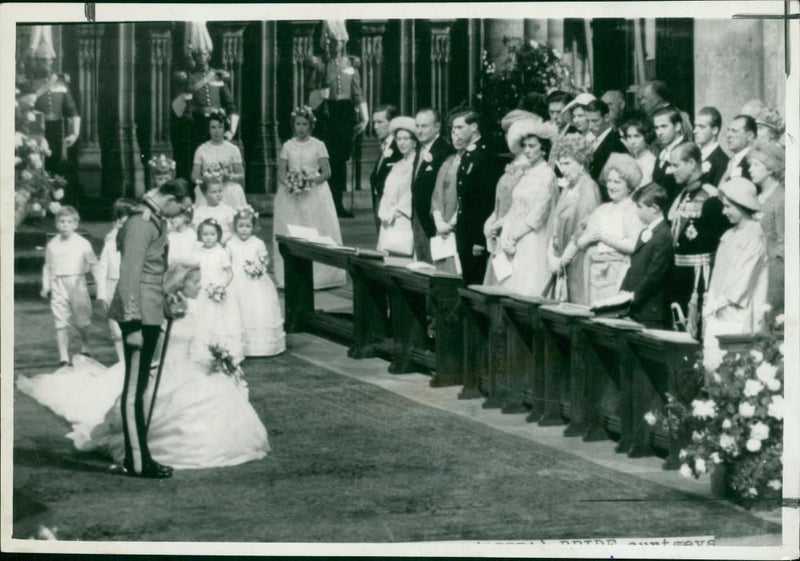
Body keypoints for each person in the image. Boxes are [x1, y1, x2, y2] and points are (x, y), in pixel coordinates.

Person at [17, 263, 270, 471]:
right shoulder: (161, 313)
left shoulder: (190, 309)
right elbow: (154, 353)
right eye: (195, 282)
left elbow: (190, 346)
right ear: (180, 284)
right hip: (164, 370)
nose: (200, 286)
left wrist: (214, 360)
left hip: (188, 366)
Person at [108, 177, 189, 478]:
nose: (178, 216)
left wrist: (165, 304)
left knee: (139, 387)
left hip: (150, 310)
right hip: (139, 316)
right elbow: (129, 276)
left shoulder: (153, 219)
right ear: (170, 199)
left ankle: (139, 455)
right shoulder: (142, 223)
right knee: (134, 390)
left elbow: (153, 273)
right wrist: (132, 325)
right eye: (180, 209)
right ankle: (137, 462)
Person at [273, 106, 346, 289]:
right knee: (293, 229)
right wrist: (290, 184)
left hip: (315, 194)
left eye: (305, 124)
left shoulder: (318, 145)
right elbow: (281, 172)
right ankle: (290, 275)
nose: (301, 128)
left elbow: (327, 172)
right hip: (291, 195)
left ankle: (322, 276)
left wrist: (310, 181)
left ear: (311, 125)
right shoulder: (288, 146)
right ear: (293, 125)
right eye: (298, 124)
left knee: (316, 228)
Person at [307, 20, 370, 218]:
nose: (338, 45)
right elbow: (309, 92)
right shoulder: (320, 64)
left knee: (340, 159)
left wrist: (365, 117)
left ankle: (337, 202)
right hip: (327, 113)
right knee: (324, 157)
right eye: (334, 41)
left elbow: (357, 93)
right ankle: (319, 203)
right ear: (328, 42)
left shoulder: (350, 65)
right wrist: (320, 95)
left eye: (341, 41)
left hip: (344, 112)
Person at [666, 142, 728, 338]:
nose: (671, 171)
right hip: (678, 275)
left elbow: (720, 245)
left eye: (676, 165)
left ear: (692, 163)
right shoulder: (682, 194)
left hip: (700, 279)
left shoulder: (710, 196)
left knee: (696, 334)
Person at [702, 178, 768, 361]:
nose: (724, 212)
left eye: (728, 207)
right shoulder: (729, 235)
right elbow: (718, 275)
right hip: (718, 313)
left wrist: (714, 305)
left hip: (737, 316)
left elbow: (741, 283)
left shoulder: (755, 237)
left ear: (742, 205)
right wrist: (710, 302)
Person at [497, 119, 559, 297]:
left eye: (532, 146)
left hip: (531, 238)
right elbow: (515, 206)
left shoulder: (547, 175)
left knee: (527, 288)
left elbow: (537, 216)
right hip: (512, 235)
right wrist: (505, 230)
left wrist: (514, 235)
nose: (527, 150)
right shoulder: (525, 173)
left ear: (544, 148)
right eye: (524, 146)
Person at [171, 22, 238, 181]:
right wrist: (185, 95)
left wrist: (232, 130)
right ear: (193, 55)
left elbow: (231, 106)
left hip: (217, 125)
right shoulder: (189, 79)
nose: (202, 57)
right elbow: (177, 110)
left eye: (205, 53)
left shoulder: (217, 76)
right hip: (197, 126)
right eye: (198, 54)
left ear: (210, 54)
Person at [574, 153, 645, 305]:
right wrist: (587, 239)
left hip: (618, 272)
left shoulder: (632, 210)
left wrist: (603, 237)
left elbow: (633, 245)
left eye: (617, 182)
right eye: (609, 181)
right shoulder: (602, 209)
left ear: (629, 186)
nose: (611, 186)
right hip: (594, 272)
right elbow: (580, 242)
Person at [482, 109, 538, 285]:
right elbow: (500, 202)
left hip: (517, 237)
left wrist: (504, 224)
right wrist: (490, 222)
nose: (509, 138)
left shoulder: (533, 169)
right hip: (499, 235)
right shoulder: (511, 164)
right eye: (507, 133)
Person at [40, 205, 100, 367]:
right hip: (58, 283)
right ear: (57, 224)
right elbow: (48, 266)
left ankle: (85, 346)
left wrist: (100, 285)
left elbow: (94, 264)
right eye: (62, 222)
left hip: (77, 283)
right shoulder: (52, 244)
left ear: (75, 224)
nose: (65, 225)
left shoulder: (83, 243)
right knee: (60, 320)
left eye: (69, 222)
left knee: (82, 320)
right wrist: (46, 286)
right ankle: (64, 357)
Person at [18, 26, 80, 180]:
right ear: (37, 62)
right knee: (36, 165)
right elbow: (22, 107)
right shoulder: (28, 84)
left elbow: (71, 111)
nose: (48, 63)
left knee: (56, 166)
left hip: (57, 131)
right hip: (36, 130)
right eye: (44, 61)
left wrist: (75, 132)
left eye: (50, 60)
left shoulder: (60, 82)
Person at [547, 134, 602, 304]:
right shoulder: (569, 187)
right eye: (561, 163)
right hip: (563, 260)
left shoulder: (588, 188)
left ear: (581, 162)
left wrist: (563, 260)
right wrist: (552, 255)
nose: (563, 169)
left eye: (567, 163)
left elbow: (583, 230)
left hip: (578, 259)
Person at [451, 109, 502, 284]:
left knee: (476, 282)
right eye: (453, 128)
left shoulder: (485, 155)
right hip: (465, 231)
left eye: (459, 127)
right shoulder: (469, 153)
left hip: (475, 235)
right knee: (467, 280)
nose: (455, 132)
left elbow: (485, 201)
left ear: (473, 127)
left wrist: (479, 240)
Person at [226, 207, 286, 357]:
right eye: (240, 226)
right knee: (237, 308)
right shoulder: (230, 243)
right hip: (236, 280)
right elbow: (226, 261)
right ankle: (238, 344)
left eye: (248, 226)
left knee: (257, 308)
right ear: (235, 226)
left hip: (255, 281)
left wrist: (259, 267)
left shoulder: (257, 243)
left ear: (254, 227)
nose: (244, 230)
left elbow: (265, 259)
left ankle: (260, 346)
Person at [618, 183, 674, 328]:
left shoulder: (664, 235)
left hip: (652, 313)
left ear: (654, 208)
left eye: (640, 207)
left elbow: (654, 275)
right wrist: (623, 292)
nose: (637, 212)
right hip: (637, 309)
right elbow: (633, 267)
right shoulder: (645, 232)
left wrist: (632, 298)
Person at [195, 218, 244, 364]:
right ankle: (203, 351)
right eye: (205, 234)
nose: (209, 238)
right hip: (202, 291)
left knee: (219, 320)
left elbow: (229, 272)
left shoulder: (221, 252)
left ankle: (222, 351)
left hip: (218, 291)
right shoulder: (197, 252)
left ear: (218, 235)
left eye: (212, 234)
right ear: (200, 235)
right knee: (203, 319)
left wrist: (221, 286)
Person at [411, 108, 455, 262]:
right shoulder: (420, 149)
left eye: (424, 126)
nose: (419, 131)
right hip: (418, 215)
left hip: (434, 219)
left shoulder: (445, 150)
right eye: (417, 126)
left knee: (434, 265)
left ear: (437, 127)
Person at [97, 199, 137, 363]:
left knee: (132, 325)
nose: (122, 224)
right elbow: (102, 267)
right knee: (116, 328)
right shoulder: (110, 243)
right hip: (112, 286)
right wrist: (101, 293)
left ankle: (133, 360)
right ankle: (122, 361)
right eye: (119, 220)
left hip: (131, 286)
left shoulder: (137, 242)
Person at [748, 140, 785, 315]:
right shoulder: (755, 197)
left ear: (770, 168)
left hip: (773, 273)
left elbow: (782, 246)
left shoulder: (782, 199)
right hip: (753, 269)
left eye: (756, 165)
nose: (750, 169)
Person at [377, 117, 417, 256]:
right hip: (388, 218)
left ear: (414, 141)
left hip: (403, 218)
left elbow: (410, 192)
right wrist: (384, 212)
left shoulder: (416, 164)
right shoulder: (397, 164)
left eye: (406, 139)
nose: (401, 143)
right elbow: (387, 192)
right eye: (398, 139)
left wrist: (395, 212)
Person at [191, 111, 247, 208]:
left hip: (227, 186)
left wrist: (229, 177)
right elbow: (194, 176)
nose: (217, 131)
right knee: (201, 190)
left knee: (235, 189)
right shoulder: (201, 149)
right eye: (213, 127)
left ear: (224, 129)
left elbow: (241, 175)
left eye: (220, 127)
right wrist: (206, 179)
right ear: (208, 129)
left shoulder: (233, 149)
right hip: (209, 188)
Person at [586, 99, 628, 201]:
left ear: (606, 117)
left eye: (595, 121)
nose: (590, 126)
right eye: (588, 121)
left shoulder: (616, 144)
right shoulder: (592, 140)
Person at [369, 104, 401, 232]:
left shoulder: (399, 145)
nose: (375, 127)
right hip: (380, 203)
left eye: (380, 122)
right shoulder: (386, 144)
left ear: (392, 123)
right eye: (374, 122)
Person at [192, 170, 236, 245]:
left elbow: (233, 231)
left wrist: (226, 242)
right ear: (204, 194)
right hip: (206, 244)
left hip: (225, 243)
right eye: (214, 192)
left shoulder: (228, 210)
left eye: (220, 191)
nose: (218, 194)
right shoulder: (199, 211)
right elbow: (196, 231)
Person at [651, 106, 685, 203]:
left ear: (677, 126)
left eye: (664, 126)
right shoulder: (662, 153)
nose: (659, 132)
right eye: (656, 128)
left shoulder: (686, 150)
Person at [693, 106, 729, 188]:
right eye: (695, 126)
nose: (695, 131)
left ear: (714, 130)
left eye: (701, 127)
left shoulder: (722, 162)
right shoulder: (694, 156)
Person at [620, 112, 656, 188]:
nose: (632, 142)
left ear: (646, 137)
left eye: (637, 136)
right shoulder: (631, 159)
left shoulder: (649, 161)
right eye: (629, 137)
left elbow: (644, 188)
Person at [720, 114, 756, 183]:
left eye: (734, 131)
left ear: (749, 136)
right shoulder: (732, 161)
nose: (728, 135)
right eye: (728, 130)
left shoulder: (753, 163)